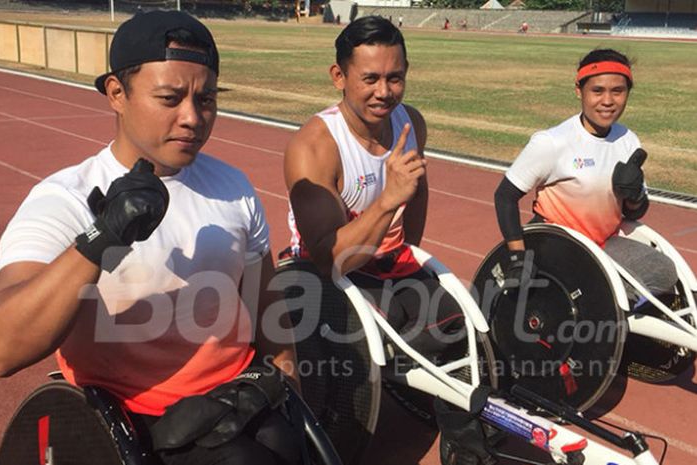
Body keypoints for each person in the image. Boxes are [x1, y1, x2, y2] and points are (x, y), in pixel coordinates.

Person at [0, 11, 300, 465]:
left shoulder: (234, 188)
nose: (192, 118)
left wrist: (286, 377)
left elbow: (267, 311)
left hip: (233, 405)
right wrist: (103, 237)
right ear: (117, 93)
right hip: (127, 422)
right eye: (170, 98)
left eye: (207, 99)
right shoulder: (66, 198)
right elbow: (4, 346)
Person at [283, 15, 494, 464]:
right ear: (339, 77)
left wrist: (410, 256)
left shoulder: (409, 123)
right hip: (327, 278)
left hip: (387, 262)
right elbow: (329, 259)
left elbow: (417, 193)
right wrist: (386, 201)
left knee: (459, 321)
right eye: (371, 79)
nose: (385, 92)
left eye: (395, 78)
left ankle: (466, 447)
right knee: (404, 325)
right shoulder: (315, 145)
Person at [494, 48, 677, 301]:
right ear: (579, 91)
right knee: (598, 287)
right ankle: (595, 310)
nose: (608, 101)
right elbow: (504, 196)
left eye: (618, 91)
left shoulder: (628, 140)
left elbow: (634, 211)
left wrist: (633, 196)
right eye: (597, 90)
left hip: (603, 244)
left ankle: (605, 311)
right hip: (557, 245)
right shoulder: (552, 142)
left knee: (663, 271)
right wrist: (517, 256)